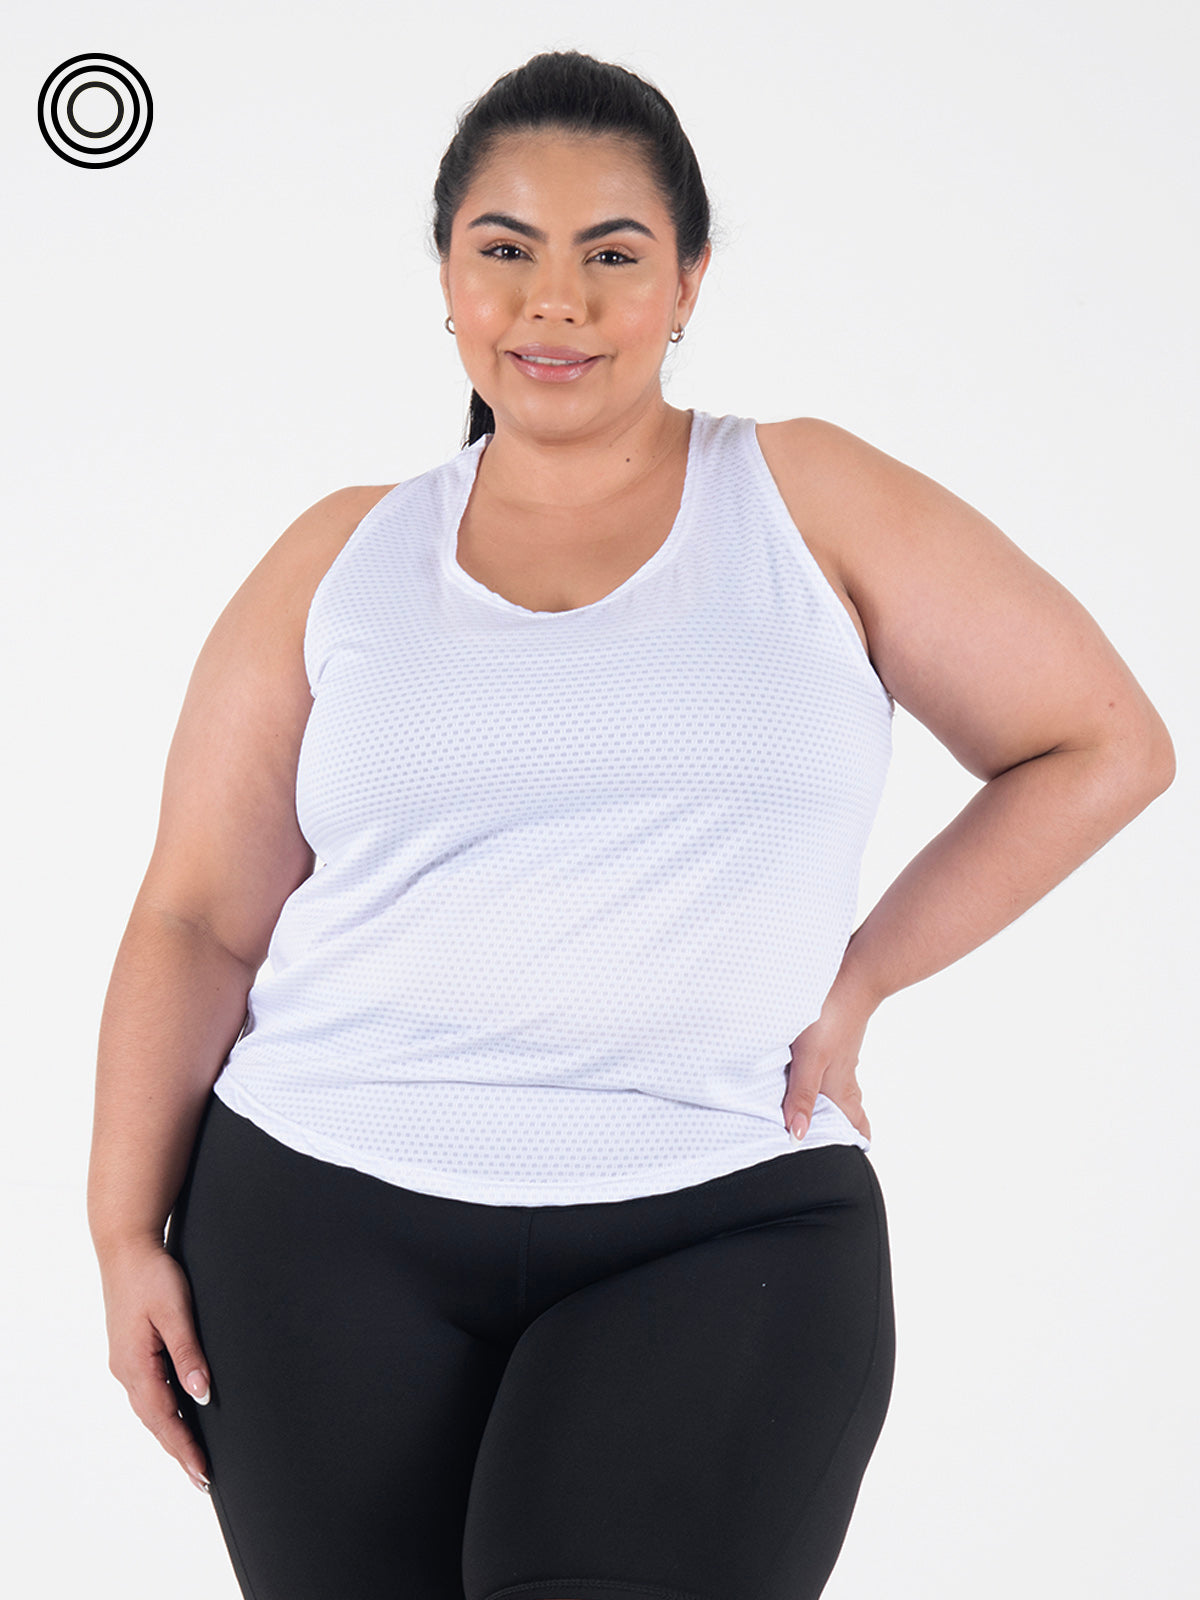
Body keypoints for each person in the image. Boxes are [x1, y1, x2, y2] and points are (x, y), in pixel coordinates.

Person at [87, 47, 1175, 1600]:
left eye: (613, 253)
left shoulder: (806, 500)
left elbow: (1102, 743)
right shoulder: (340, 555)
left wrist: (863, 974)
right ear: (447, 282)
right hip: (314, 1229)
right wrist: (120, 1229)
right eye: (506, 249)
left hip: (722, 1225)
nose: (557, 301)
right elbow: (198, 916)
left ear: (689, 283)